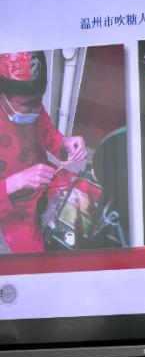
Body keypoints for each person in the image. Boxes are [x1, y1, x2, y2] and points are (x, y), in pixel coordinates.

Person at [0, 50, 86, 254]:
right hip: (14, 202)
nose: (36, 109)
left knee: (88, 195)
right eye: (27, 104)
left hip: (46, 175)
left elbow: (47, 132)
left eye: (38, 101)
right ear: (3, 97)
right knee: (36, 259)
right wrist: (16, 182)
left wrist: (65, 143)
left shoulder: (34, 107)